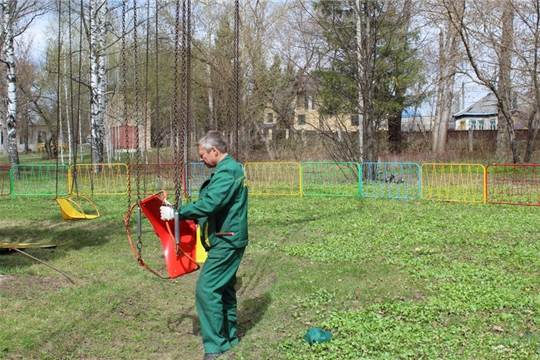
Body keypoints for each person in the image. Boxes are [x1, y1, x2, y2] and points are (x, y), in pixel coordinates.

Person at [160, 130, 248, 360]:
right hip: (226, 237)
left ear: (214, 151)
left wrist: (178, 212)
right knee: (224, 288)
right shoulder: (229, 169)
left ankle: (215, 347)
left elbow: (211, 203)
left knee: (206, 289)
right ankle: (229, 338)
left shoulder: (228, 171)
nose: (200, 159)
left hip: (226, 240)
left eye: (202, 155)